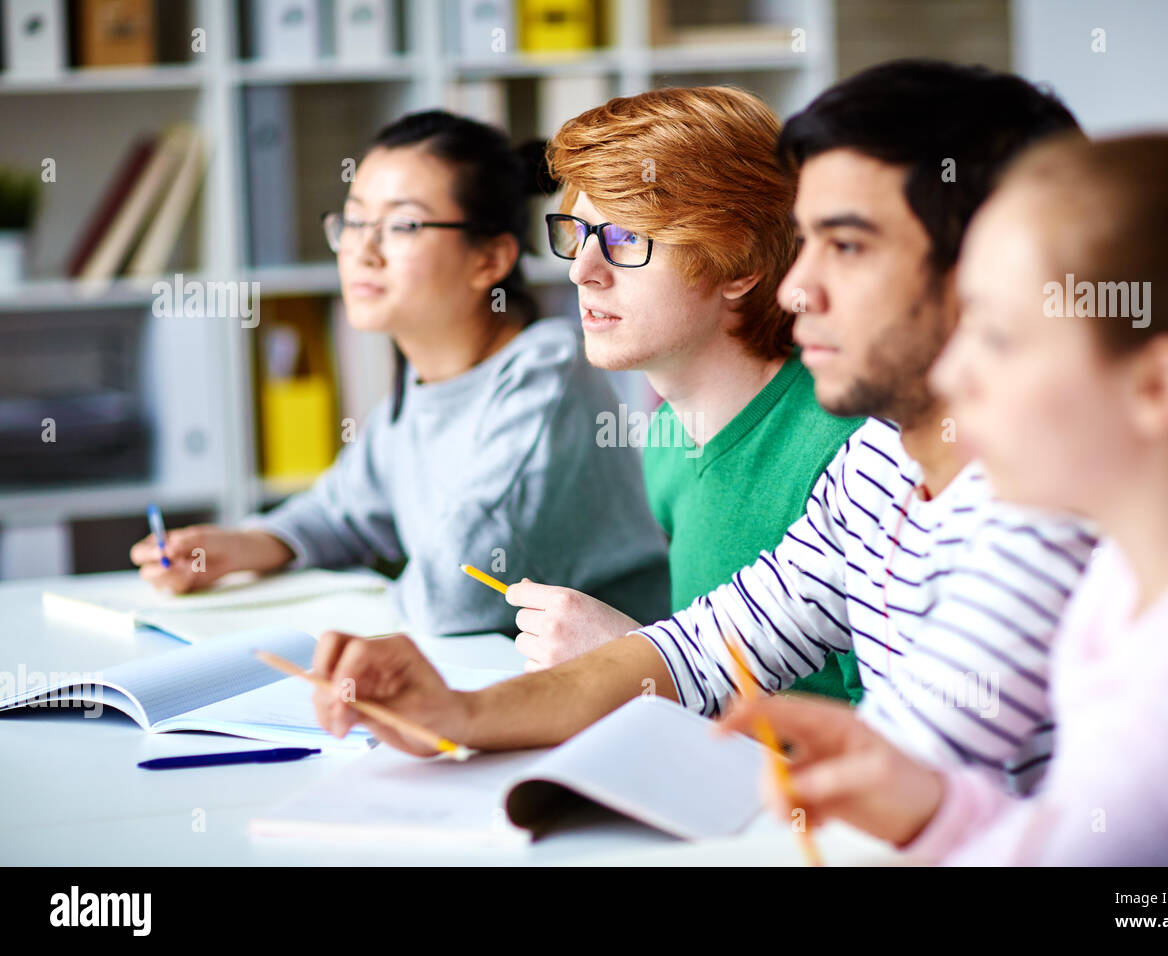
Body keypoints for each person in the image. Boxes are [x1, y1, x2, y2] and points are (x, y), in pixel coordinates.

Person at [306, 62, 1094, 798]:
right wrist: (457, 714)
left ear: (988, 269)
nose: (800, 282)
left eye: (847, 245)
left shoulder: (1039, 507)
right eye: (809, 239)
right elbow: (703, 649)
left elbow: (895, 786)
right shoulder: (878, 466)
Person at [723, 133, 1168, 865]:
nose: (952, 372)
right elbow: (1070, 833)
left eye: (995, 338)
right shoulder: (1132, 571)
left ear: (1157, 388)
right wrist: (924, 804)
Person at [130, 109, 670, 636]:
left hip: (612, 691)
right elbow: (339, 511)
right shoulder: (421, 383)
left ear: (490, 260)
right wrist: (236, 549)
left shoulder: (543, 377)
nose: (362, 251)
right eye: (355, 220)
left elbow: (456, 595)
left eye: (402, 225)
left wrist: (343, 598)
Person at [503, 86, 864, 703]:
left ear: (739, 266)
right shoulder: (668, 438)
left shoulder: (850, 447)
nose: (582, 270)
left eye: (623, 237)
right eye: (577, 232)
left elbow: (901, 750)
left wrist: (637, 664)